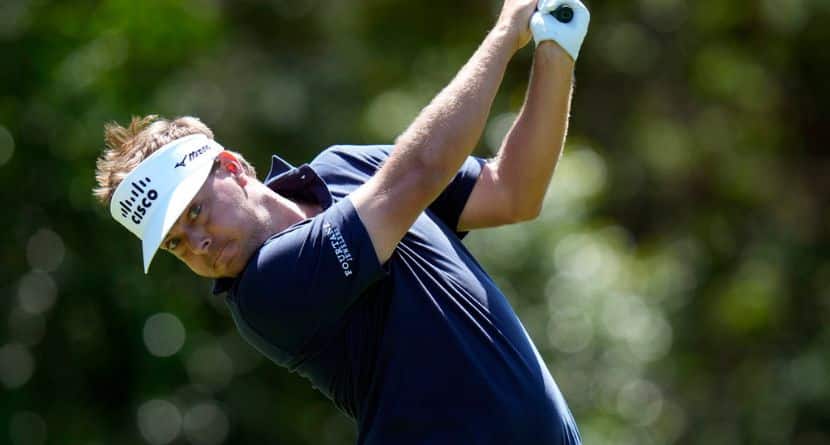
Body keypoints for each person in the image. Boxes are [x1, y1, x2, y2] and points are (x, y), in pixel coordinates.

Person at [93, 0, 590, 443]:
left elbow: (512, 193)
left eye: (195, 212)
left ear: (231, 165)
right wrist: (506, 31)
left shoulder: (345, 170)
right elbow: (420, 171)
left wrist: (555, 46)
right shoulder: (268, 289)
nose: (198, 244)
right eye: (177, 245)